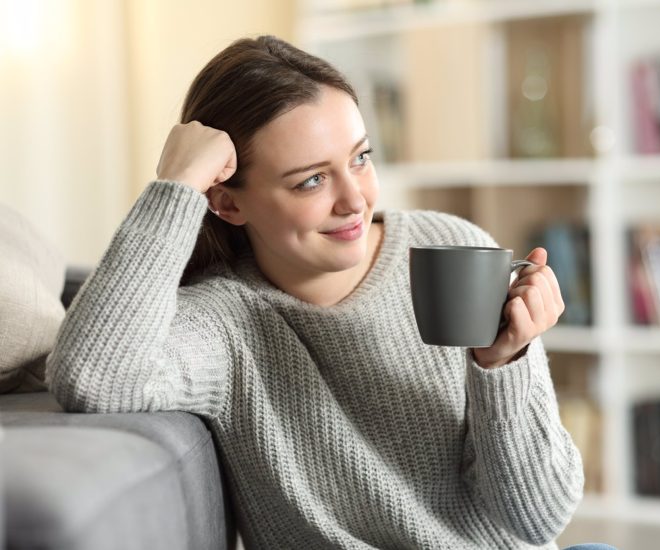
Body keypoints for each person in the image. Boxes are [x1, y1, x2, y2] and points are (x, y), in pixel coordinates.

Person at [47, 35, 589, 549]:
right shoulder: (223, 323)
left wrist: (503, 365)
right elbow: (93, 376)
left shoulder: (450, 247)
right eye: (311, 180)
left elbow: (537, 518)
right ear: (227, 202)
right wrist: (176, 184)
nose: (355, 199)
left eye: (360, 157)